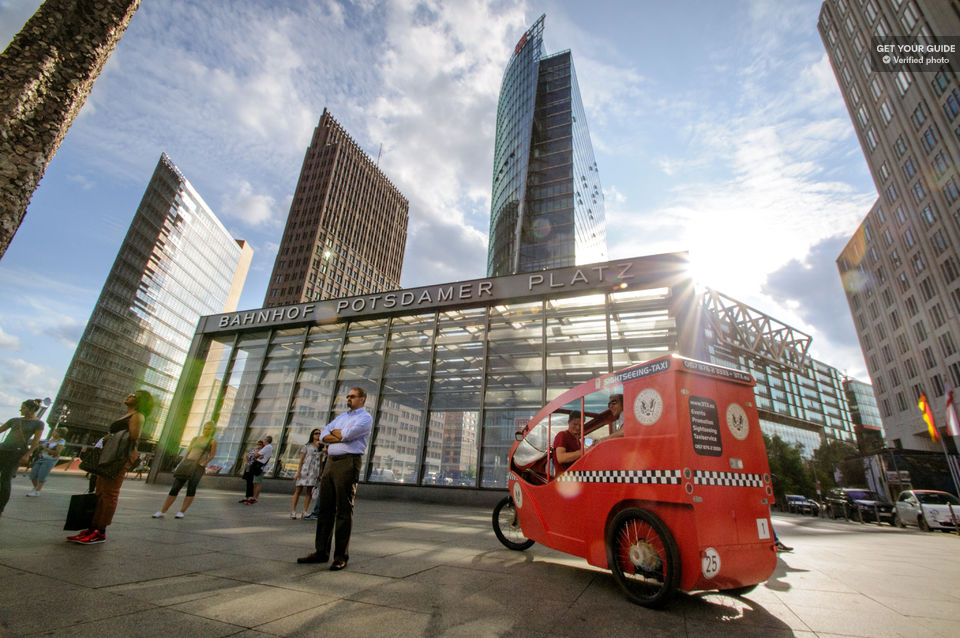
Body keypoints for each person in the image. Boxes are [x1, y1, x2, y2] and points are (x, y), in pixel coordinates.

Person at [298, 387, 373, 571]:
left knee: (343, 510)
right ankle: (321, 552)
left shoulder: (365, 418)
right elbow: (323, 435)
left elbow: (347, 436)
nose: (348, 398)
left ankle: (340, 556)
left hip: (348, 463)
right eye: (347, 396)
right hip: (330, 463)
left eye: (352, 396)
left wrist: (338, 435)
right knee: (325, 509)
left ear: (362, 399)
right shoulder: (341, 417)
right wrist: (337, 435)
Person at [67, 390, 152, 544]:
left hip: (119, 458)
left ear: (140, 400)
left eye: (134, 394)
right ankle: (92, 528)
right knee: (100, 491)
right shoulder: (127, 415)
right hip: (109, 455)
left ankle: (101, 531)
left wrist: (113, 438)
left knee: (109, 493)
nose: (129, 395)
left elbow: (134, 437)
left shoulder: (138, 416)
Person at [153, 421, 217, 519]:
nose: (206, 430)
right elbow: (188, 451)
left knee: (191, 488)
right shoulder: (195, 439)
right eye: (205, 428)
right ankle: (163, 511)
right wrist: (183, 461)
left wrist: (203, 463)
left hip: (198, 467)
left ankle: (181, 511)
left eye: (209, 429)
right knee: (175, 487)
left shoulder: (212, 441)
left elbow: (212, 455)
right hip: (187, 464)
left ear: (213, 430)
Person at [0, 399, 45, 516]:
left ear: (31, 409)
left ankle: (0, 508)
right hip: (3, 449)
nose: (21, 409)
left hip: (16, 453)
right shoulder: (14, 420)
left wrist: (27, 454)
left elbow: (35, 442)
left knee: (5, 479)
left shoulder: (38, 423)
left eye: (23, 407)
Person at [291, 428, 323, 519]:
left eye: (320, 434)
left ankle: (305, 511)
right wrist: (298, 472)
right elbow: (301, 460)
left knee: (309, 492)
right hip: (305, 470)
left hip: (314, 472)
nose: (318, 435)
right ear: (312, 435)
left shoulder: (320, 448)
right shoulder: (306, 446)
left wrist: (320, 474)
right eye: (316, 433)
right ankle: (293, 511)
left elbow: (320, 462)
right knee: (298, 490)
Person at [26, 426, 68, 496]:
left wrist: (45, 448)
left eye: (55, 432)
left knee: (42, 475)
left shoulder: (61, 441)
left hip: (50, 460)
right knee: (33, 474)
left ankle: (37, 491)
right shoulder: (49, 440)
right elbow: (41, 447)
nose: (53, 433)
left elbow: (57, 452)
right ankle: (36, 488)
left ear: (59, 434)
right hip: (41, 458)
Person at [241, 437, 272, 504]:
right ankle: (250, 497)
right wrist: (247, 461)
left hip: (259, 468)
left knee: (256, 483)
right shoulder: (266, 448)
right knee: (253, 482)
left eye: (260, 444)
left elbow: (257, 455)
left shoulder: (266, 448)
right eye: (257, 444)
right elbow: (248, 455)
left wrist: (256, 454)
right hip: (252, 467)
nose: (258, 445)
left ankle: (254, 498)